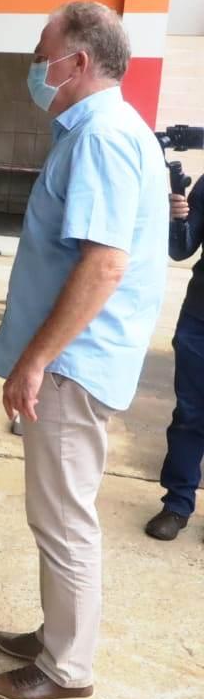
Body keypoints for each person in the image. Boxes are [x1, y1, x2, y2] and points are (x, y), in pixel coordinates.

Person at [0, 2, 168, 699]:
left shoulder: (103, 136)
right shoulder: (106, 129)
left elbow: (104, 265)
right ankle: (58, 633)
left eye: (42, 51)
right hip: (75, 358)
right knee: (57, 509)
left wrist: (36, 360)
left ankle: (66, 668)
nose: (35, 64)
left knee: (63, 516)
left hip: (71, 363)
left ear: (77, 62)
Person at [144, 177, 204, 541]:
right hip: (200, 319)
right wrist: (176, 218)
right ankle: (177, 504)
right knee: (190, 415)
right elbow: (181, 248)